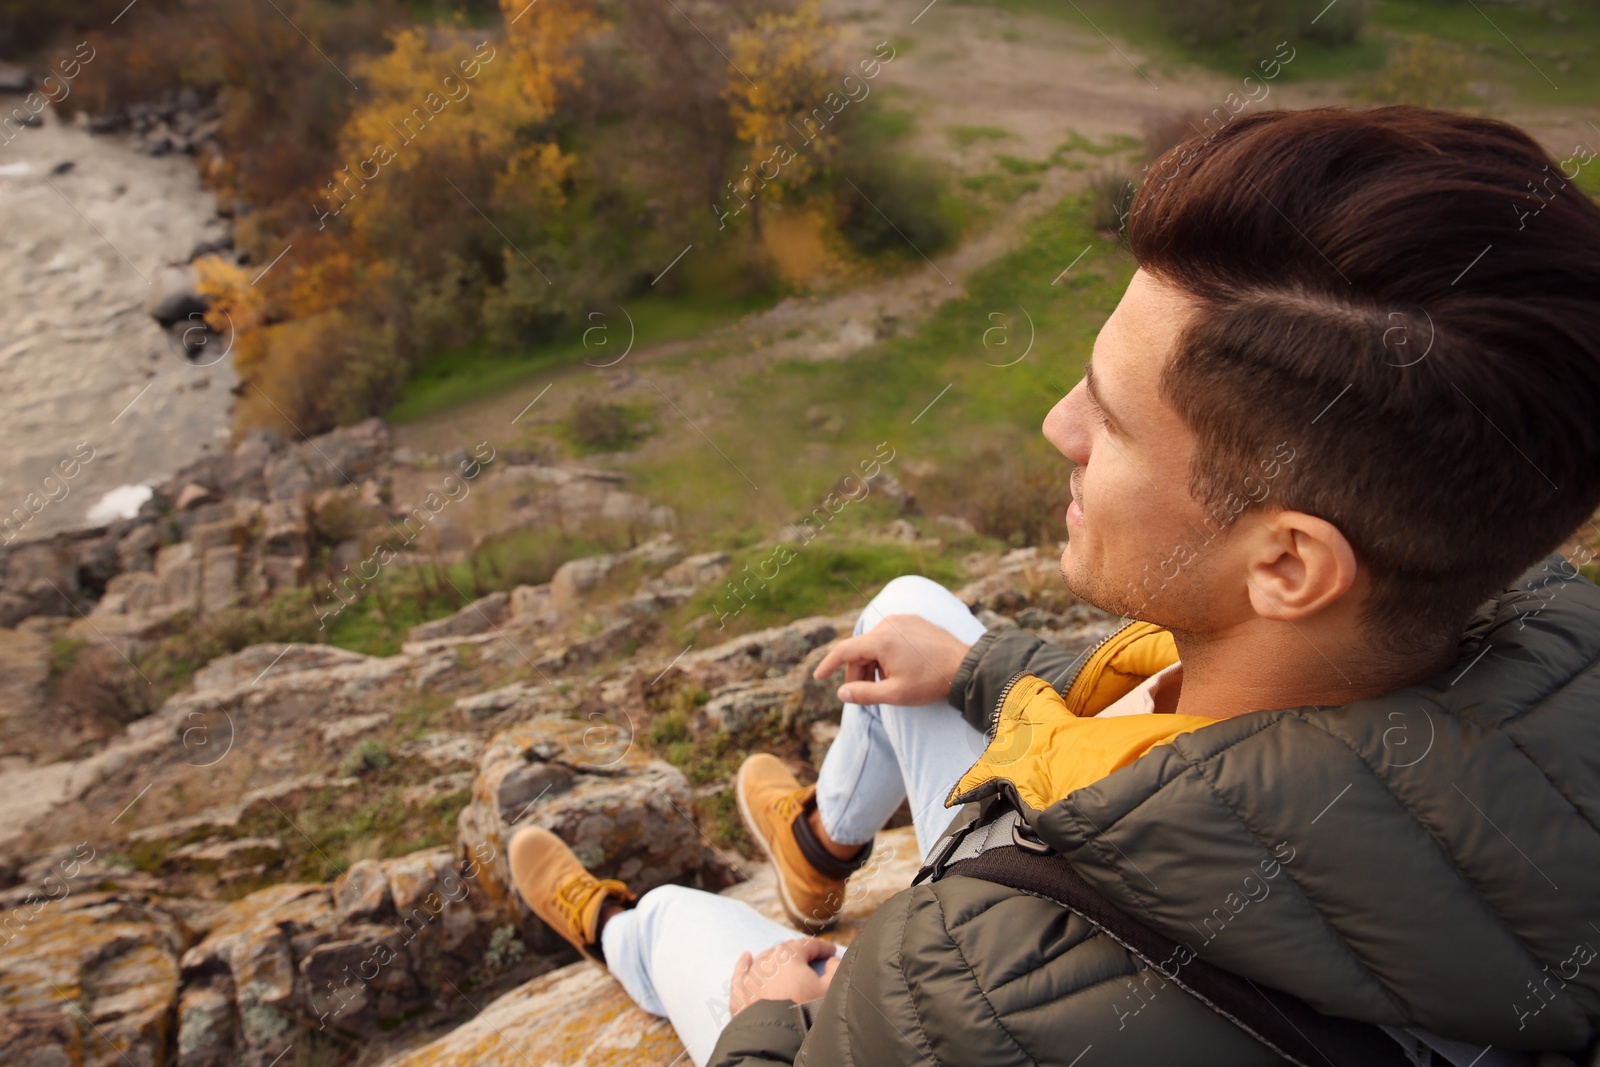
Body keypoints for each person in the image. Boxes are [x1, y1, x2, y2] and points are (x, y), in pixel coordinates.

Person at [510, 105, 1600, 1067]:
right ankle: (817, 848)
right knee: (911, 616)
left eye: (1111, 420)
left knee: (695, 932)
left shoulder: (960, 999)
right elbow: (1221, 735)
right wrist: (977, 664)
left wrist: (774, 1016)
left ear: (1286, 563)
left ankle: (621, 928)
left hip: (1031, 919)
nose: (1057, 427)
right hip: (1111, 856)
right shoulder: (1535, 622)